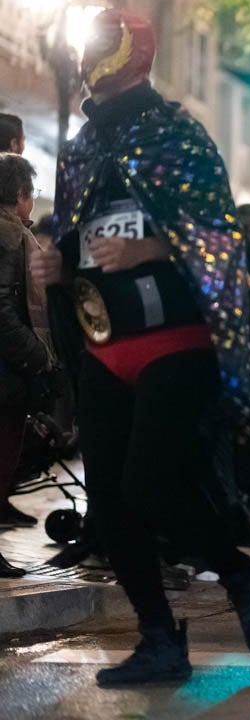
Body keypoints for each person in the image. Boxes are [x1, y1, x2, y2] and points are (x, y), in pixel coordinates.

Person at [31, 9, 250, 686]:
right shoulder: (80, 147)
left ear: (133, 51)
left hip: (178, 340)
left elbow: (223, 237)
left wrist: (150, 247)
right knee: (108, 508)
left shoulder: (175, 131)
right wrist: (59, 263)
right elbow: (76, 236)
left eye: (104, 44)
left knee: (149, 484)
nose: (90, 56)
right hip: (106, 344)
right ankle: (159, 640)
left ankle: (238, 572)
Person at [0, 154, 56, 576]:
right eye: (31, 194)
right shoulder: (8, 235)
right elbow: (3, 310)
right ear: (20, 196)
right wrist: (39, 358)